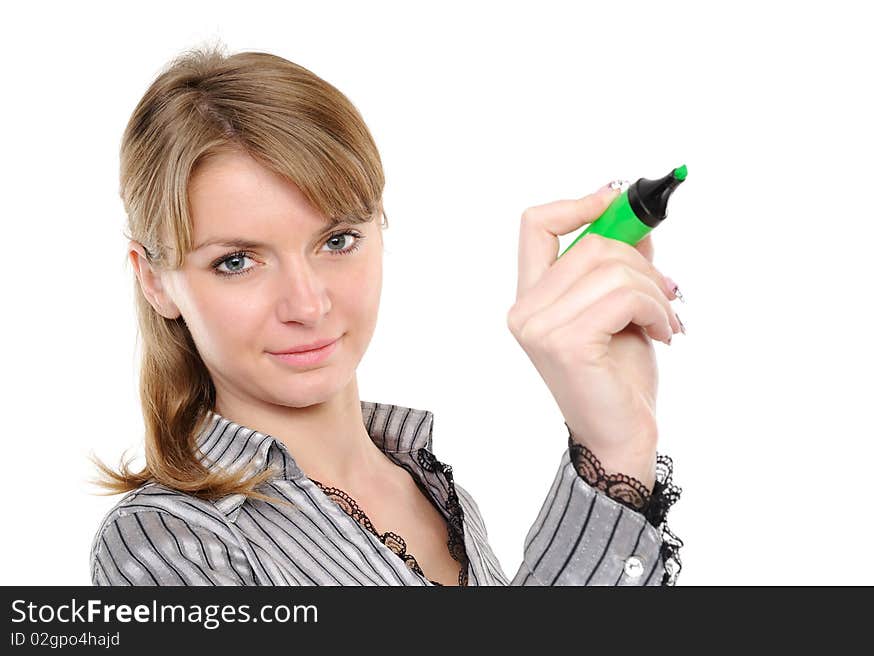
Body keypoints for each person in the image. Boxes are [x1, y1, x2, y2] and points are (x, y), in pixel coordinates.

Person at [88, 42, 683, 587]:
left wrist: (618, 440)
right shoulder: (167, 544)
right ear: (154, 281)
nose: (308, 304)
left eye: (338, 241)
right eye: (237, 261)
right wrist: (607, 462)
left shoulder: (429, 488)